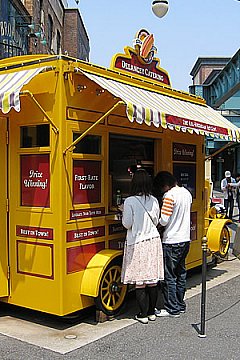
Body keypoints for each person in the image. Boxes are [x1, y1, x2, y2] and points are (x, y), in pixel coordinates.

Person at [121, 169, 164, 324]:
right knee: (152, 280)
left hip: (138, 242)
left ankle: (142, 314)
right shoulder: (154, 200)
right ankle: (152, 312)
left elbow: (127, 224)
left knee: (140, 281)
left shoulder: (130, 201)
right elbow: (157, 220)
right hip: (153, 240)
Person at [154, 171, 192, 317]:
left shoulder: (169, 196)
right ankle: (180, 304)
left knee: (169, 275)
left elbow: (164, 220)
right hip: (185, 239)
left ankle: (172, 308)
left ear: (165, 185)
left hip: (172, 240)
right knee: (181, 273)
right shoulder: (186, 193)